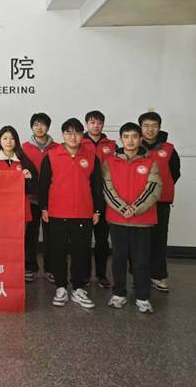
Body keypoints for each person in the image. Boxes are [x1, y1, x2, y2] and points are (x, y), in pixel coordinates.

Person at [39, 118, 104, 309]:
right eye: (68, 132)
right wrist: (44, 207)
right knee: (57, 251)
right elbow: (43, 184)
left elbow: (97, 186)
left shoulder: (91, 157)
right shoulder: (52, 156)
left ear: (82, 135)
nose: (73, 136)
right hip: (57, 212)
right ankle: (60, 287)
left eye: (77, 132)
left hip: (83, 212)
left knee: (81, 252)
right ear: (63, 135)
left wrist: (97, 210)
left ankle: (78, 288)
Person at [103, 122, 162, 314]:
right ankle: (118, 294)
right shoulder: (110, 162)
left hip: (142, 221)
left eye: (134, 136)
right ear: (121, 139)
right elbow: (107, 188)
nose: (130, 140)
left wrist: (135, 209)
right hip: (117, 219)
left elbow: (153, 189)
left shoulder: (150, 162)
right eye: (126, 136)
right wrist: (122, 208)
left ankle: (143, 297)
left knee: (141, 260)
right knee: (118, 259)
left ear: (141, 139)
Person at [139, 111, 180, 292]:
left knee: (159, 239)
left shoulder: (169, 149)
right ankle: (139, 275)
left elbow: (175, 173)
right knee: (140, 241)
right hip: (139, 202)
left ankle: (157, 275)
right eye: (146, 126)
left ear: (159, 128)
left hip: (161, 201)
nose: (150, 129)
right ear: (141, 127)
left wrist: (160, 189)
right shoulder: (134, 146)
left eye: (154, 126)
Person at [82, 110, 117, 288]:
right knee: (84, 239)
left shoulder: (112, 145)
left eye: (99, 123)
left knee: (102, 239)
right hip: (83, 196)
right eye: (92, 122)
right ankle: (85, 275)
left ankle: (102, 275)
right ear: (86, 124)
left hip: (105, 197)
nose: (96, 126)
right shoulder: (78, 142)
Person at [21, 113, 57, 283]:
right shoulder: (24, 148)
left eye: (43, 124)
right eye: (36, 124)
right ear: (31, 127)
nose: (39, 127)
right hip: (31, 198)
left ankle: (51, 268)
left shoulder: (57, 148)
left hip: (52, 198)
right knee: (31, 235)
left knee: (52, 235)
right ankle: (30, 267)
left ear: (48, 127)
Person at [0, 126, 38, 229]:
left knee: (18, 238)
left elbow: (34, 189)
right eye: (5, 138)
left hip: (20, 209)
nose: (8, 141)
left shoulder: (25, 162)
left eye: (12, 138)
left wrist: (29, 179)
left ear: (16, 141)